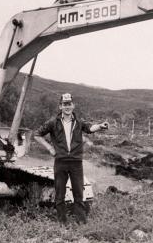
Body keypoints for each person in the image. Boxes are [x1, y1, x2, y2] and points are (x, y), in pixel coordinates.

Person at [35, 93, 108, 224]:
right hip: (60, 162)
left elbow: (90, 128)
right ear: (60, 106)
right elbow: (37, 134)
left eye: (69, 104)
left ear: (73, 106)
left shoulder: (79, 122)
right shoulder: (53, 122)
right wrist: (50, 148)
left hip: (76, 162)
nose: (67, 107)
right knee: (60, 193)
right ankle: (63, 222)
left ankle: (81, 222)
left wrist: (100, 126)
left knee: (79, 193)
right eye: (64, 104)